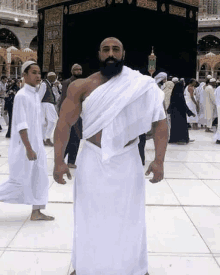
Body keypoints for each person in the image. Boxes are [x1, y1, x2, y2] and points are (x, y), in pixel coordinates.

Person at [53, 37, 168, 275]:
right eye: (106, 49)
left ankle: (132, 267)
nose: (111, 53)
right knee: (89, 216)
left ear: (123, 54)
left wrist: (159, 160)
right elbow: (63, 124)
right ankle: (87, 266)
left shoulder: (141, 84)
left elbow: (159, 123)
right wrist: (58, 161)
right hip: (93, 159)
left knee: (129, 216)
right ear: (99, 54)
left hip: (127, 159)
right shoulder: (81, 86)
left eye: (116, 49)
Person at [0, 61, 54, 221]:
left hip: (36, 146)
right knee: (18, 183)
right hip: (25, 147)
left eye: (39, 73)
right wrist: (29, 148)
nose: (38, 76)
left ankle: (36, 211)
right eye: (34, 72)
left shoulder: (34, 95)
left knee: (40, 178)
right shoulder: (22, 96)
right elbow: (21, 125)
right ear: (24, 75)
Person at [58, 64, 83, 169]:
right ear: (72, 71)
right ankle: (63, 160)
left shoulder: (82, 83)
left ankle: (69, 161)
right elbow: (63, 98)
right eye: (76, 69)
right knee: (70, 138)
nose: (79, 71)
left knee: (75, 138)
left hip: (78, 114)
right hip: (69, 114)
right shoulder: (67, 82)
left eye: (80, 69)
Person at [38, 72, 59, 146]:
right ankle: (46, 138)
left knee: (46, 123)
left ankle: (44, 139)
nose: (55, 78)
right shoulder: (44, 84)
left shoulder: (50, 84)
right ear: (49, 77)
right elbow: (39, 96)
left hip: (48, 104)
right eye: (53, 77)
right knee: (52, 121)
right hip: (45, 104)